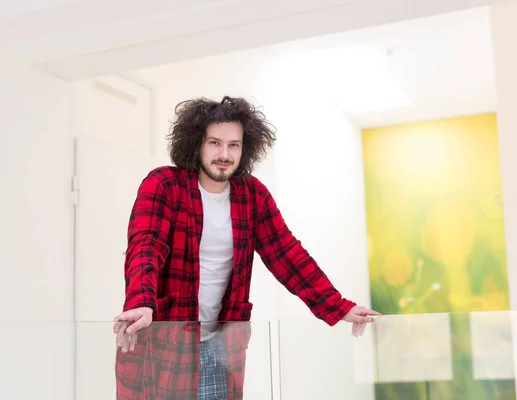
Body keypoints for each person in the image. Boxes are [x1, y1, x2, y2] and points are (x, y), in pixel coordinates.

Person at [113, 96, 380, 400]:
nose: (224, 154)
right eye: (214, 143)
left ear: (245, 148)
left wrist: (338, 306)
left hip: (220, 345)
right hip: (163, 344)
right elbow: (146, 245)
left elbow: (288, 255)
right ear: (196, 143)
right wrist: (141, 300)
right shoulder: (164, 184)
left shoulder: (252, 195)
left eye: (234, 145)